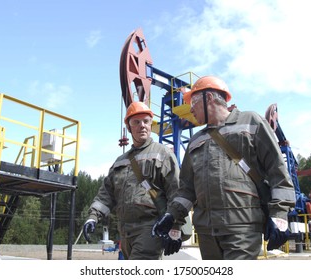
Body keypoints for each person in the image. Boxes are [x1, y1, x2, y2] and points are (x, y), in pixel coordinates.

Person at [152, 76, 296, 260]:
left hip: (241, 229)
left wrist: (279, 215)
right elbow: (186, 191)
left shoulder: (251, 122)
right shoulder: (196, 141)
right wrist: (172, 218)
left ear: (209, 98)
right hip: (206, 233)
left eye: (193, 102)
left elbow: (278, 172)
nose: (190, 109)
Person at [83, 101, 182, 260]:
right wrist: (92, 217)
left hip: (151, 228)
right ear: (129, 128)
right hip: (125, 232)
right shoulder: (120, 161)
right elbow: (106, 195)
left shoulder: (162, 153)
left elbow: (176, 192)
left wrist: (175, 228)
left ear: (151, 125)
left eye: (146, 121)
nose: (142, 125)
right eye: (136, 122)